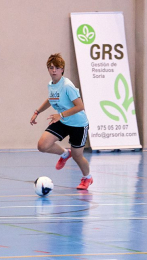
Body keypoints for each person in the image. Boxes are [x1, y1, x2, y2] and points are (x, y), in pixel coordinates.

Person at [30, 53, 93, 190]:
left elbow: (80, 106)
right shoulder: (52, 85)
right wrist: (37, 112)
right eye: (51, 67)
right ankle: (65, 154)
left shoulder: (67, 86)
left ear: (62, 69)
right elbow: (50, 99)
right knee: (42, 145)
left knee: (78, 156)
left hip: (78, 124)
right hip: (64, 121)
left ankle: (87, 177)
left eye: (57, 68)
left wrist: (61, 115)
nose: (54, 70)